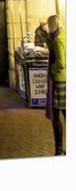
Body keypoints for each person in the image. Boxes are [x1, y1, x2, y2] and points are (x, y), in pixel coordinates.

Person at [45, 15, 66, 155]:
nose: (47, 27)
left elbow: (61, 63)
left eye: (48, 25)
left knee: (56, 115)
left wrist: (51, 69)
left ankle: (59, 149)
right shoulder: (63, 36)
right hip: (65, 80)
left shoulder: (58, 40)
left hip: (60, 81)